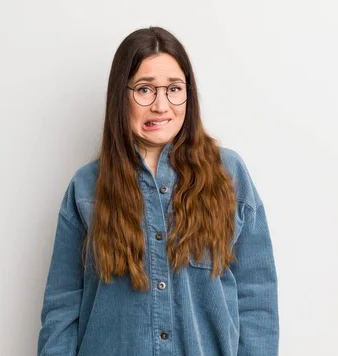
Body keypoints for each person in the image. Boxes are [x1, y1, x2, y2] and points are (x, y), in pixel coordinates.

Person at [37, 26, 279, 356]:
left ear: (188, 94)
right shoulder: (86, 187)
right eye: (145, 90)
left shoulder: (230, 176)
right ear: (121, 96)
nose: (161, 105)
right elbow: (62, 309)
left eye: (173, 89)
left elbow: (257, 301)